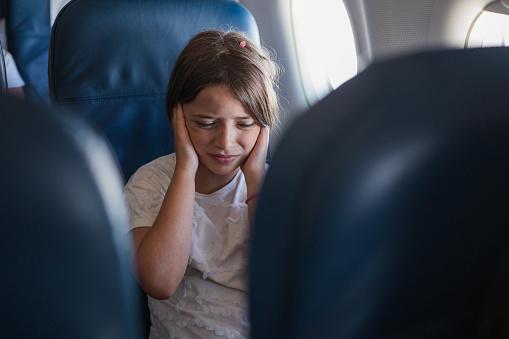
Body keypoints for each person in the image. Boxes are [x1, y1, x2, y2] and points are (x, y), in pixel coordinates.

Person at [125, 30, 280, 339]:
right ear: (177, 117)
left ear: (263, 124)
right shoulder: (150, 182)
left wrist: (254, 178)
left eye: (244, 124)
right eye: (205, 124)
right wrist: (185, 167)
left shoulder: (274, 185)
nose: (225, 142)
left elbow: (279, 282)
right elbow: (160, 282)